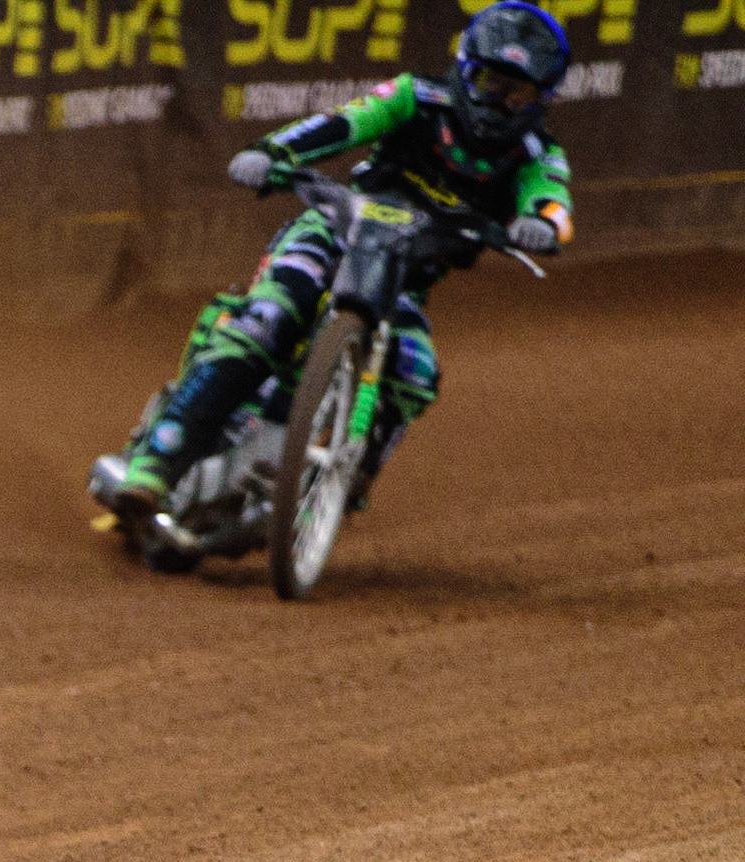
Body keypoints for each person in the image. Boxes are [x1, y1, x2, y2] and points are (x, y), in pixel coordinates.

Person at [109, 0, 574, 530]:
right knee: (267, 321)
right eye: (491, 81)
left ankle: (346, 479)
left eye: (519, 92)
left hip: (400, 281)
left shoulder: (538, 154)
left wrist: (542, 223)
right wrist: (273, 152)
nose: (500, 102)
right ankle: (156, 463)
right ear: (465, 69)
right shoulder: (415, 98)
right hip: (331, 236)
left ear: (543, 99)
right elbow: (342, 123)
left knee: (414, 371)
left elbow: (554, 201)